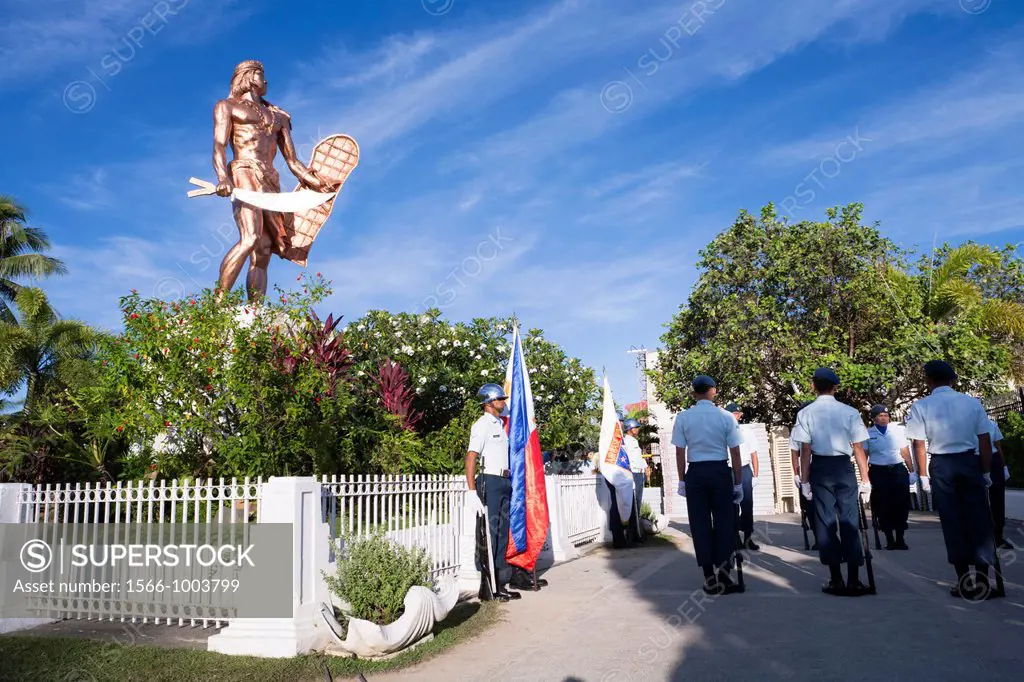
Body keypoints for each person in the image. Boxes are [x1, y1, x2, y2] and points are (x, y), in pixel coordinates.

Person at [905, 360, 995, 599]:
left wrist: (922, 475)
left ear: (928, 381)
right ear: (953, 380)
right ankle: (984, 578)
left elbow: (919, 443)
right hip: (969, 461)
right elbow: (985, 439)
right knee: (979, 519)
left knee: (952, 521)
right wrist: (986, 471)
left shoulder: (921, 406)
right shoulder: (971, 403)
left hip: (942, 464)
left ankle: (963, 580)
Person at [792, 368, 872, 596]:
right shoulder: (850, 412)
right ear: (835, 387)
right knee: (850, 520)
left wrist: (805, 481)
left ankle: (836, 579)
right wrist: (865, 479)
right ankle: (854, 580)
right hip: (843, 468)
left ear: (813, 386)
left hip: (820, 468)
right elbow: (858, 449)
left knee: (825, 521)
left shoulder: (806, 413)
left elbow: (805, 450)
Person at [672, 375, 745, 594]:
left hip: (696, 472)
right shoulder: (725, 417)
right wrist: (739, 482)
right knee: (724, 523)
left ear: (694, 393)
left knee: (700, 525)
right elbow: (735, 451)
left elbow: (679, 450)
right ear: (713, 391)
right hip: (720, 471)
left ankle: (709, 577)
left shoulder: (683, 417)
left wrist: (682, 479)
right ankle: (724, 574)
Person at [465, 383, 520, 602]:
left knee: (501, 532)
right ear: (489, 402)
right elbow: (471, 457)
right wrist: (471, 491)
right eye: (499, 399)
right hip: (490, 480)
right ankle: (488, 585)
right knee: (489, 532)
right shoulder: (482, 425)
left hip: (504, 480)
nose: (503, 402)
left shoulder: (498, 424)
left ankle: (500, 584)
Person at [864, 405, 916, 550]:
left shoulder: (897, 432)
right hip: (878, 472)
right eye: (880, 416)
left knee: (901, 504)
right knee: (883, 505)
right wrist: (865, 478)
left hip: (898, 470)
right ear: (874, 418)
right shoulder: (868, 433)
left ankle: (900, 538)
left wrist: (912, 471)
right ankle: (889, 539)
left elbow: (905, 452)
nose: (883, 418)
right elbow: (864, 455)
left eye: (886, 416)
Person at [725, 403, 760, 550]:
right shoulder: (723, 430)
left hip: (745, 469)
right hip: (729, 469)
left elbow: (754, 453)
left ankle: (748, 538)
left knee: (747, 505)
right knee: (732, 506)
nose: (738, 416)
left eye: (738, 414)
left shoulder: (746, 431)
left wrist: (756, 475)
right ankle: (735, 539)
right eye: (735, 413)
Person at [980, 418, 1014, 550]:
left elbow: (998, 445)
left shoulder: (991, 424)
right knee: (982, 500)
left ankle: (997, 536)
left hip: (991, 460)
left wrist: (1004, 465)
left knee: (997, 500)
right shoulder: (968, 424)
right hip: (978, 460)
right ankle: (987, 537)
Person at [790, 402, 817, 550]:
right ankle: (818, 537)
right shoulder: (797, 429)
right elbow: (795, 452)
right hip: (807, 471)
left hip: (820, 467)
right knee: (810, 506)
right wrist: (796, 473)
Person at [622, 418, 647, 543]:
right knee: (635, 504)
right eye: (635, 427)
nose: (637, 429)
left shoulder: (633, 441)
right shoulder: (627, 441)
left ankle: (635, 533)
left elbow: (638, 458)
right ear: (629, 429)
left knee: (637, 502)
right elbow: (630, 460)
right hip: (634, 473)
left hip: (639, 472)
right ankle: (634, 534)